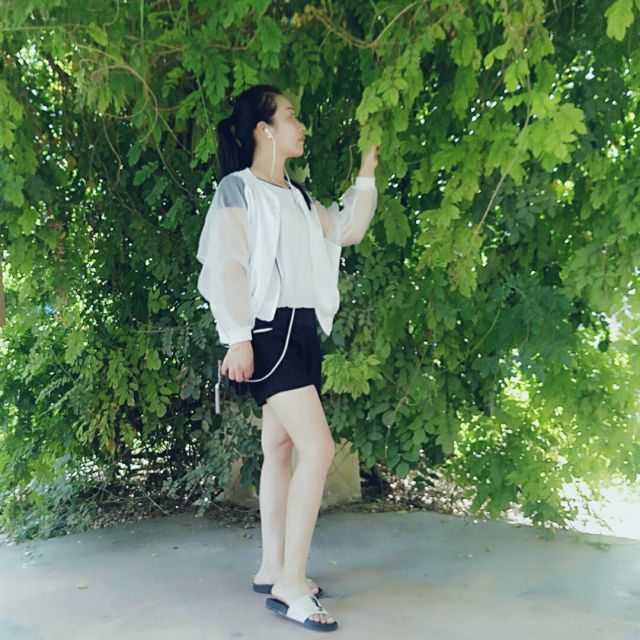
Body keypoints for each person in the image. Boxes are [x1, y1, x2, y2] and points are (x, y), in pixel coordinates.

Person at [195, 84, 378, 632]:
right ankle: (291, 585)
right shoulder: (238, 189)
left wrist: (366, 173)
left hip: (302, 333)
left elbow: (346, 229)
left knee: (279, 448)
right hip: (269, 332)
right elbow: (227, 265)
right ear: (265, 129)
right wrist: (237, 338)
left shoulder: (296, 196)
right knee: (318, 449)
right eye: (291, 116)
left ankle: (272, 567)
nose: (301, 127)